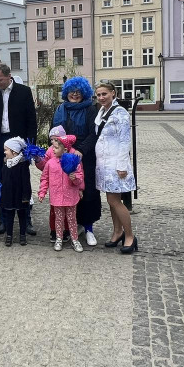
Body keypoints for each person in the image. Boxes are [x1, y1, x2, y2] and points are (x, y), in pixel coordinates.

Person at [0, 64, 37, 234]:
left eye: (0, 80)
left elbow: (31, 121)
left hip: (18, 142)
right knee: (1, 183)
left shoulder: (24, 92)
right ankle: (4, 221)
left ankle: (26, 221)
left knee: (21, 182)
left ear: (9, 76)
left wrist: (30, 145)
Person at [52, 77, 101, 245]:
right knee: (68, 192)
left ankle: (89, 229)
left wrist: (81, 150)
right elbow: (54, 132)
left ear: (83, 93)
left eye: (78, 92)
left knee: (87, 192)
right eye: (72, 91)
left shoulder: (90, 110)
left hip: (84, 156)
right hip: (65, 155)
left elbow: (93, 134)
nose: (74, 94)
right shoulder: (60, 109)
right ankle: (73, 225)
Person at [94, 80, 137, 253]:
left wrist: (121, 166)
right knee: (111, 202)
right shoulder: (102, 111)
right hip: (104, 164)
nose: (101, 97)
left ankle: (130, 236)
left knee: (115, 201)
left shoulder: (120, 113)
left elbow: (125, 140)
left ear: (113, 93)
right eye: (98, 95)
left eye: (104, 94)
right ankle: (117, 232)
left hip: (115, 164)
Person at [38, 131, 86, 254]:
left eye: (56, 147)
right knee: (58, 219)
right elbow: (45, 178)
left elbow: (80, 178)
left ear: (65, 149)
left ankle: (75, 239)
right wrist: (42, 192)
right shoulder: (50, 163)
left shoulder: (74, 162)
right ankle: (59, 238)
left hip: (70, 197)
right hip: (57, 197)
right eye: (53, 146)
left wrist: (75, 179)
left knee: (72, 219)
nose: (53, 149)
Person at [0, 137, 32, 247]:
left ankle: (22, 235)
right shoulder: (6, 164)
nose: (4, 152)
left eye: (6, 150)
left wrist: (26, 196)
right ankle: (9, 235)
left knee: (22, 215)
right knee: (9, 215)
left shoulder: (23, 165)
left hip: (20, 195)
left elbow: (26, 182)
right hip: (8, 194)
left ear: (14, 151)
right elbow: (3, 179)